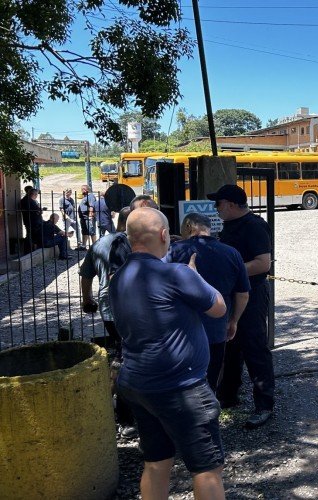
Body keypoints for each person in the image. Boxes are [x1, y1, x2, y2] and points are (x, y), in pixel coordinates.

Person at [110, 207, 227, 500]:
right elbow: (218, 307)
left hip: (138, 383)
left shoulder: (119, 277)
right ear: (164, 235)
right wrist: (194, 276)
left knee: (157, 461)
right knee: (207, 467)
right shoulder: (176, 273)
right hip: (180, 388)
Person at [210, 184, 277, 429]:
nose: (216, 209)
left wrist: (231, 269)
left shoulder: (254, 226)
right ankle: (228, 395)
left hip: (252, 295)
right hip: (231, 295)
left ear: (229, 203)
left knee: (254, 348)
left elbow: (263, 263)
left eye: (218, 204)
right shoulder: (229, 226)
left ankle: (264, 405)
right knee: (231, 345)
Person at [166, 212, 250, 393]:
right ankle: (210, 412)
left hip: (181, 331)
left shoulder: (174, 251)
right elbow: (243, 294)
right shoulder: (231, 253)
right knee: (210, 380)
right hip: (217, 328)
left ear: (188, 227)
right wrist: (233, 320)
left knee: (182, 382)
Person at [80, 207, 136, 437]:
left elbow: (86, 274)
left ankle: (106, 405)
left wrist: (87, 299)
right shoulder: (130, 243)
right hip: (126, 303)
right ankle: (122, 415)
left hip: (106, 304)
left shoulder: (100, 243)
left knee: (121, 352)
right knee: (125, 356)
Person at [78, 184, 97, 249]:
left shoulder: (91, 196)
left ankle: (95, 246)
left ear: (86, 190)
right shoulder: (85, 197)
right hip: (83, 217)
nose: (81, 191)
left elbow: (92, 206)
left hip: (88, 218)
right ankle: (83, 245)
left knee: (92, 231)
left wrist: (90, 216)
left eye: (82, 189)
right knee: (84, 231)